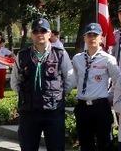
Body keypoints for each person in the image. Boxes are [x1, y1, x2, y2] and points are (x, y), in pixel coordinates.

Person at [11, 18, 74, 151]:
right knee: (27, 148)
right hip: (29, 112)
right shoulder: (22, 56)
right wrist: (28, 97)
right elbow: (14, 83)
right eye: (36, 31)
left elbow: (70, 81)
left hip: (53, 112)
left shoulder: (60, 54)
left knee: (56, 147)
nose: (40, 33)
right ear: (31, 34)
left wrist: (55, 96)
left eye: (43, 31)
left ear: (49, 34)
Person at [72, 23, 121, 151]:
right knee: (85, 143)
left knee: (104, 143)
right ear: (84, 38)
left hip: (100, 107)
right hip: (82, 107)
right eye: (89, 35)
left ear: (101, 38)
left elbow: (118, 81)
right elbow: (74, 79)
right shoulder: (77, 59)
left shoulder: (108, 59)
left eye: (95, 35)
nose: (92, 38)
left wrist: (110, 97)